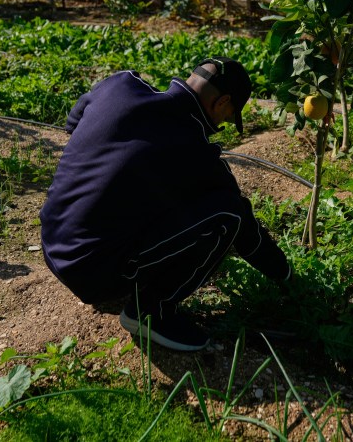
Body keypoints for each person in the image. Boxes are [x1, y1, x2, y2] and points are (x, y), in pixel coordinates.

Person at [40, 57, 292, 352]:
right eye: (229, 116)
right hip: (92, 274)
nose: (222, 124)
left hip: (53, 242)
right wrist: (285, 275)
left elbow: (73, 123)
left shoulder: (119, 84)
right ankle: (150, 312)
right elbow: (245, 228)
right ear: (223, 102)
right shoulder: (197, 152)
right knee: (228, 213)